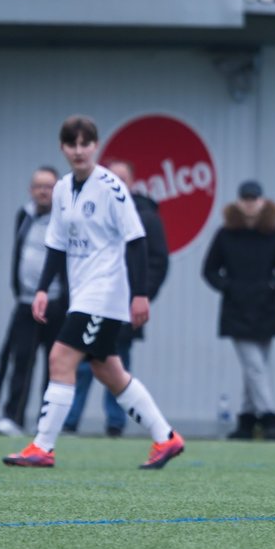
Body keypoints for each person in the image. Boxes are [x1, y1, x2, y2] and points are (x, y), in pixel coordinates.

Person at [2, 115, 184, 469]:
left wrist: (140, 294)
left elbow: (136, 241)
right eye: (72, 144)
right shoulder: (61, 189)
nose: (79, 150)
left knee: (60, 358)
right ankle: (166, 438)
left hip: (105, 293)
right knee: (108, 370)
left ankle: (42, 446)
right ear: (63, 148)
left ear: (96, 146)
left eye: (86, 143)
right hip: (82, 293)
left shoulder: (111, 187)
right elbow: (56, 244)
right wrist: (42, 289)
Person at [64, 159, 169, 436]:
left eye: (122, 178)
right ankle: (68, 421)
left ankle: (117, 422)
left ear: (132, 183)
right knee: (82, 363)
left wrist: (140, 294)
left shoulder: (145, 216)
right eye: (112, 178)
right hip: (91, 299)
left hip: (121, 304)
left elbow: (157, 261)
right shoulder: (91, 211)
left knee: (113, 364)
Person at [202, 180, 275, 440]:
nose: (250, 203)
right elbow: (209, 270)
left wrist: (272, 285)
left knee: (255, 369)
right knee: (255, 367)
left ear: (262, 201)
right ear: (238, 202)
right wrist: (229, 287)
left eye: (254, 198)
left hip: (266, 307)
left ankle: (245, 421)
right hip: (237, 309)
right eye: (245, 198)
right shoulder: (225, 234)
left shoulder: (274, 233)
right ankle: (269, 417)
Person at [0, 166, 67, 437]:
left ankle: (47, 423)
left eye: (49, 186)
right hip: (25, 302)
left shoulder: (66, 217)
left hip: (57, 302)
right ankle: (13, 418)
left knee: (55, 364)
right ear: (30, 190)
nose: (43, 191)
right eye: (38, 186)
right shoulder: (24, 215)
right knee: (21, 359)